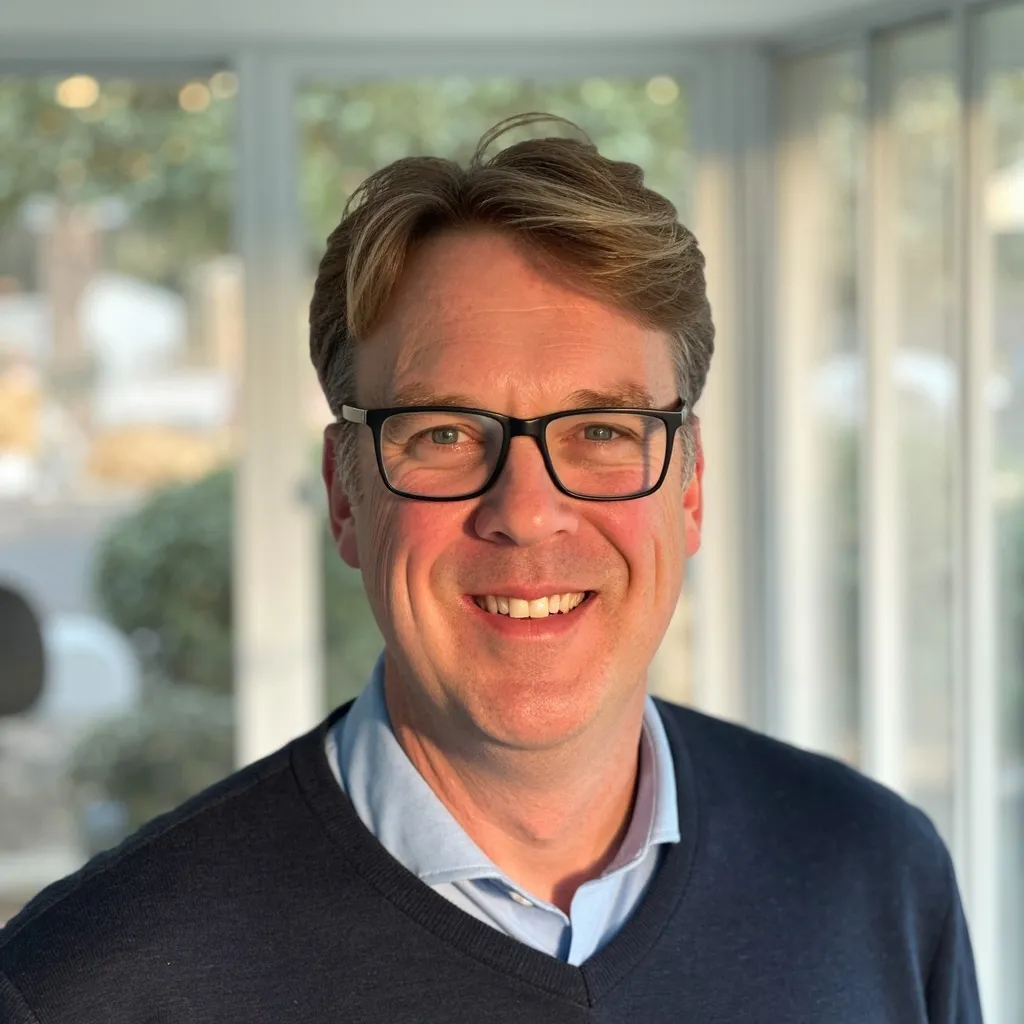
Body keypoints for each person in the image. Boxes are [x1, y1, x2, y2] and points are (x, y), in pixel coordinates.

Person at [0, 114, 982, 1023]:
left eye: (603, 428)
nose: (524, 512)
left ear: (688, 489)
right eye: (442, 433)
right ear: (346, 498)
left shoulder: (877, 882)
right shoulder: (85, 986)